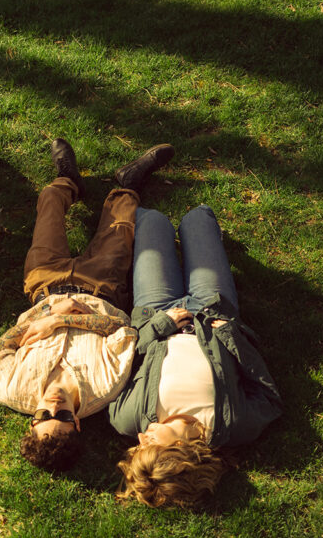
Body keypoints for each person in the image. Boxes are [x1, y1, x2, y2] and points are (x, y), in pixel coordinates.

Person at [0, 138, 175, 471]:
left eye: (44, 416)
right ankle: (128, 182)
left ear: (32, 422)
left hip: (45, 285)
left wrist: (48, 316)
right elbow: (123, 332)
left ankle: (69, 180)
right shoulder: (104, 388)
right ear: (77, 424)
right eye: (63, 416)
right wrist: (63, 322)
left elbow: (1, 347)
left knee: (49, 199)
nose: (53, 405)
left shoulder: (10, 388)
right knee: (123, 220)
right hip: (101, 287)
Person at [108, 204, 282, 508]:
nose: (139, 440)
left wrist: (159, 327)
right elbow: (268, 396)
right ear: (178, 449)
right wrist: (231, 337)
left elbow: (117, 363)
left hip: (156, 310)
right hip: (212, 307)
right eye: (148, 447)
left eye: (137, 450)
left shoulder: (127, 419)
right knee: (198, 218)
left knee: (151, 219)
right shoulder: (234, 425)